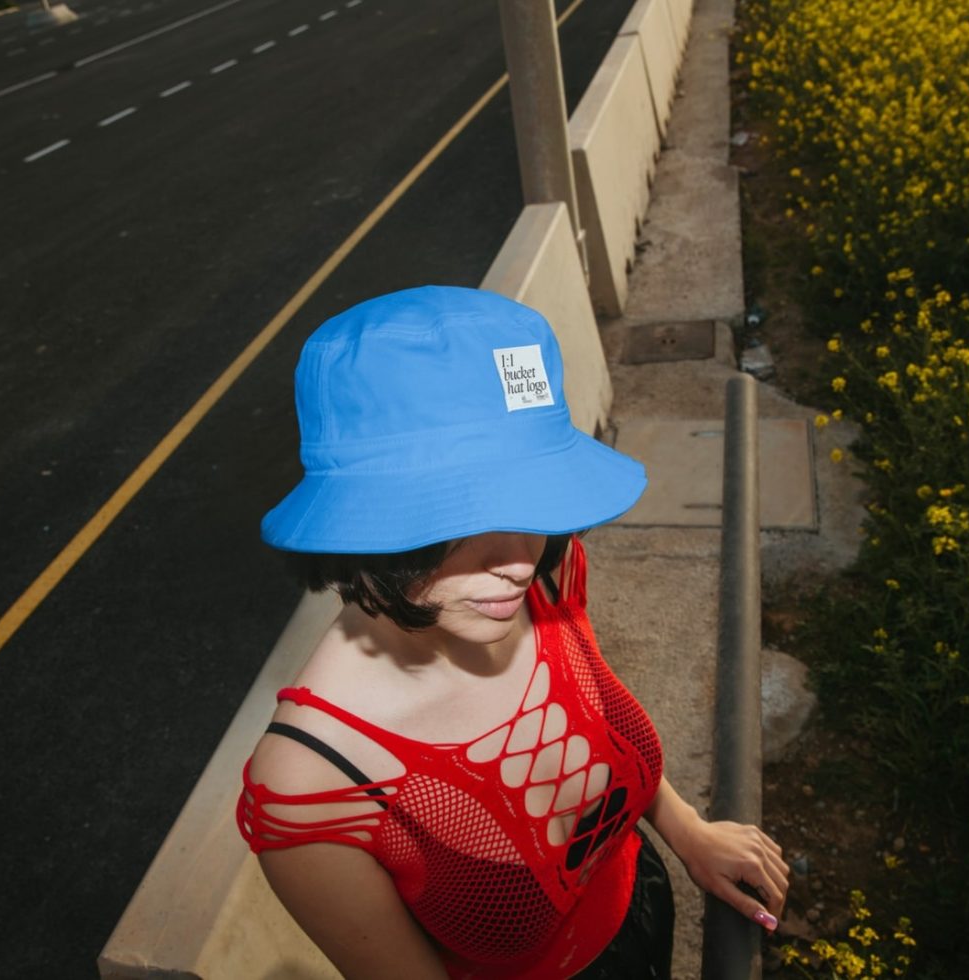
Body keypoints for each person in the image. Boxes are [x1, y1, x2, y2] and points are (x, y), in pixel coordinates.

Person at [238, 286, 787, 979]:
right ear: (356, 524)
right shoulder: (310, 779)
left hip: (643, 908)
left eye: (534, 498)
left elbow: (595, 727)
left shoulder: (551, 577)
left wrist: (686, 832)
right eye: (456, 521)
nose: (519, 561)